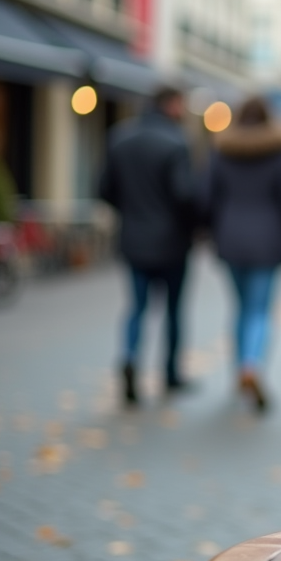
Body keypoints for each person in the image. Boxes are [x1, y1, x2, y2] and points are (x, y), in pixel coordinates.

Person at [201, 96, 281, 412]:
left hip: (230, 236)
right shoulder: (279, 151)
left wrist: (210, 227)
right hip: (268, 237)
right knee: (260, 308)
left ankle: (239, 370)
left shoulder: (222, 150)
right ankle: (251, 365)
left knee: (241, 307)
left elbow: (205, 195)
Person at [99, 85, 196, 406]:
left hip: (133, 239)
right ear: (171, 104)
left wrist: (132, 211)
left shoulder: (120, 138)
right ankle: (170, 373)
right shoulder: (176, 142)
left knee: (136, 308)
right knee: (172, 310)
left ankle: (129, 357)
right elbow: (185, 195)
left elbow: (104, 190)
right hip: (172, 243)